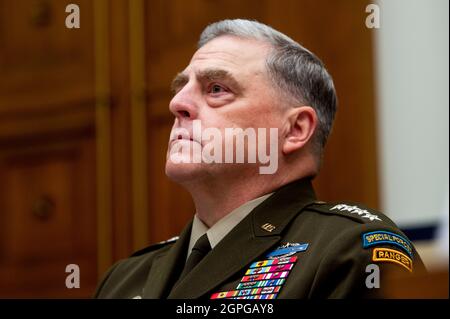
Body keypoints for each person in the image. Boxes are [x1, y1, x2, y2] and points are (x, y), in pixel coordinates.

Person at [94, 19, 426, 299]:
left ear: (295, 129)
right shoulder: (123, 280)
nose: (177, 103)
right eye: (182, 87)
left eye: (216, 89)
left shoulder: (351, 251)